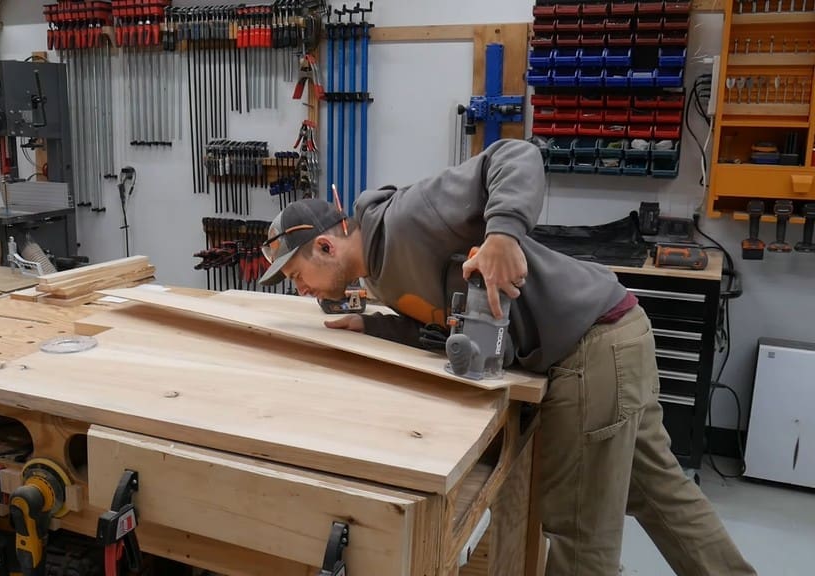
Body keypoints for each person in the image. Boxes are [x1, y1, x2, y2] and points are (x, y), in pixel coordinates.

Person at [258, 139, 755, 576]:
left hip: (589, 344)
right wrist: (374, 324)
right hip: (615, 332)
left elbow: (516, 155)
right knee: (658, 496)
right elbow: (437, 318)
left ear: (325, 244)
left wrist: (503, 234)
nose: (300, 290)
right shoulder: (378, 276)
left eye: (297, 275)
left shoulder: (410, 217)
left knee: (579, 530)